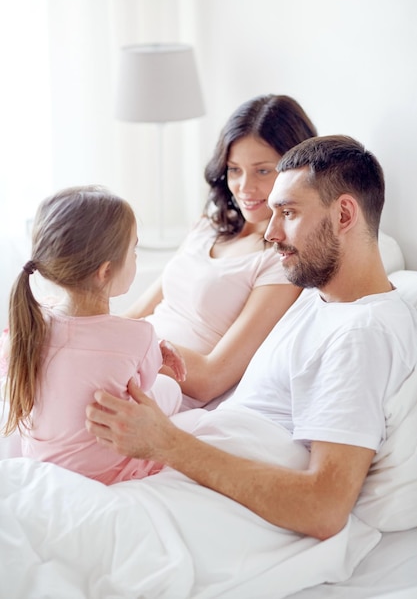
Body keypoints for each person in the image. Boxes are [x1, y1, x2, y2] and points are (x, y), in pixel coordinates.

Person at [86, 135, 417, 539]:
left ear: (344, 215)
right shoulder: (320, 296)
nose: (271, 232)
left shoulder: (361, 334)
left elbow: (324, 507)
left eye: (288, 213)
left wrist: (165, 442)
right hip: (188, 471)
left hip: (210, 509)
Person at [125, 94, 318, 409]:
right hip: (127, 360)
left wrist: (121, 346)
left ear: (298, 170)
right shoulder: (208, 226)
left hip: (164, 388)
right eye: (234, 169)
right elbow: (134, 315)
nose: (244, 186)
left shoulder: (282, 260)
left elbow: (211, 378)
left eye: (263, 171)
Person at [3, 185, 186, 485]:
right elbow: (141, 391)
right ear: (105, 271)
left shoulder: (30, 326)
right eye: (134, 250)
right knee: (169, 389)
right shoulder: (138, 335)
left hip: (41, 463)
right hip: (109, 473)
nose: (136, 258)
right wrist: (158, 351)